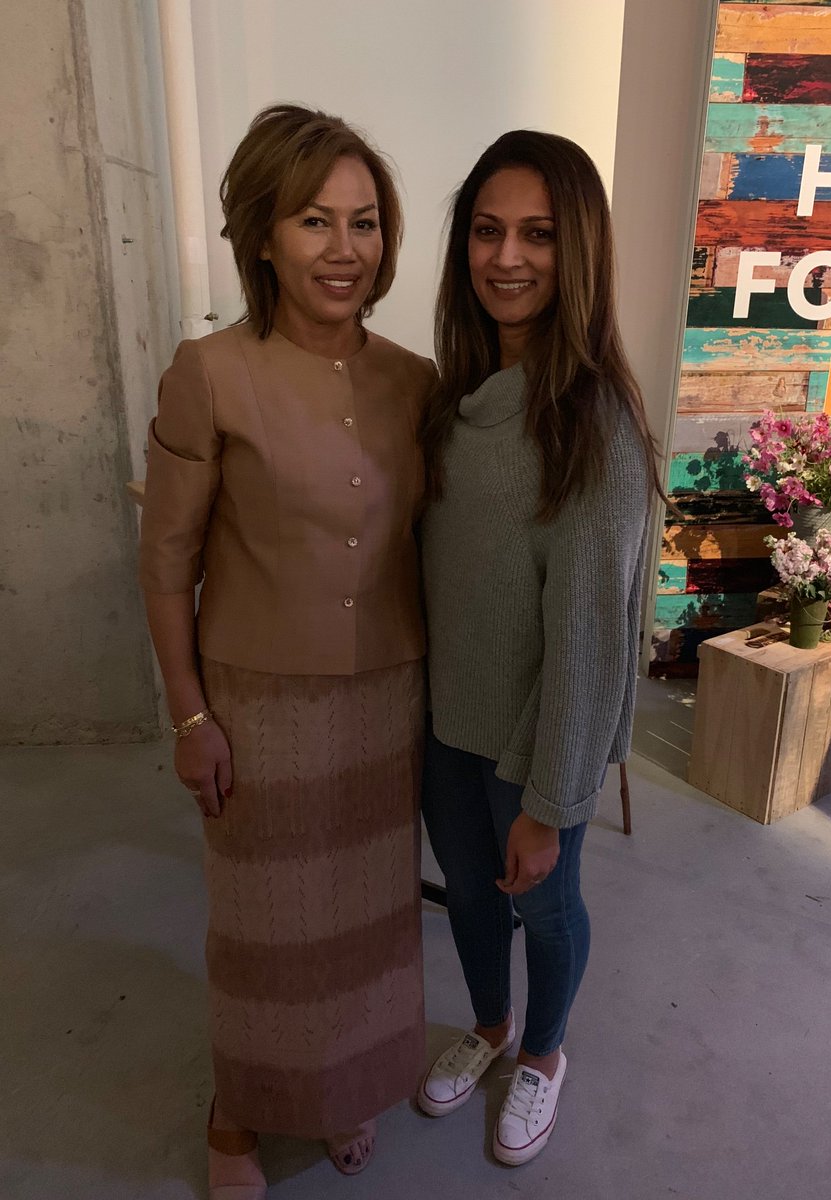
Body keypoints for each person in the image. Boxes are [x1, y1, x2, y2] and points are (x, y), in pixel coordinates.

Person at [138, 104, 434, 1198]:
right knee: (267, 933)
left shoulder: (415, 380)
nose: (345, 248)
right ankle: (238, 1112)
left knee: (363, 924)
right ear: (262, 235)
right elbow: (165, 561)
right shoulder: (211, 371)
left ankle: (339, 1083)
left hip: (387, 695)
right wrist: (189, 715)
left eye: (365, 222)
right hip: (256, 705)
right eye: (315, 220)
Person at [417, 130, 661, 1166]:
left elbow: (591, 642)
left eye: (538, 235)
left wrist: (551, 802)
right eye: (487, 231)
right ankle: (490, 1025)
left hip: (533, 747)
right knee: (470, 900)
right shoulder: (453, 403)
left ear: (581, 252)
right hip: (446, 728)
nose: (506, 257)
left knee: (548, 910)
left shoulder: (591, 426)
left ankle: (545, 1054)